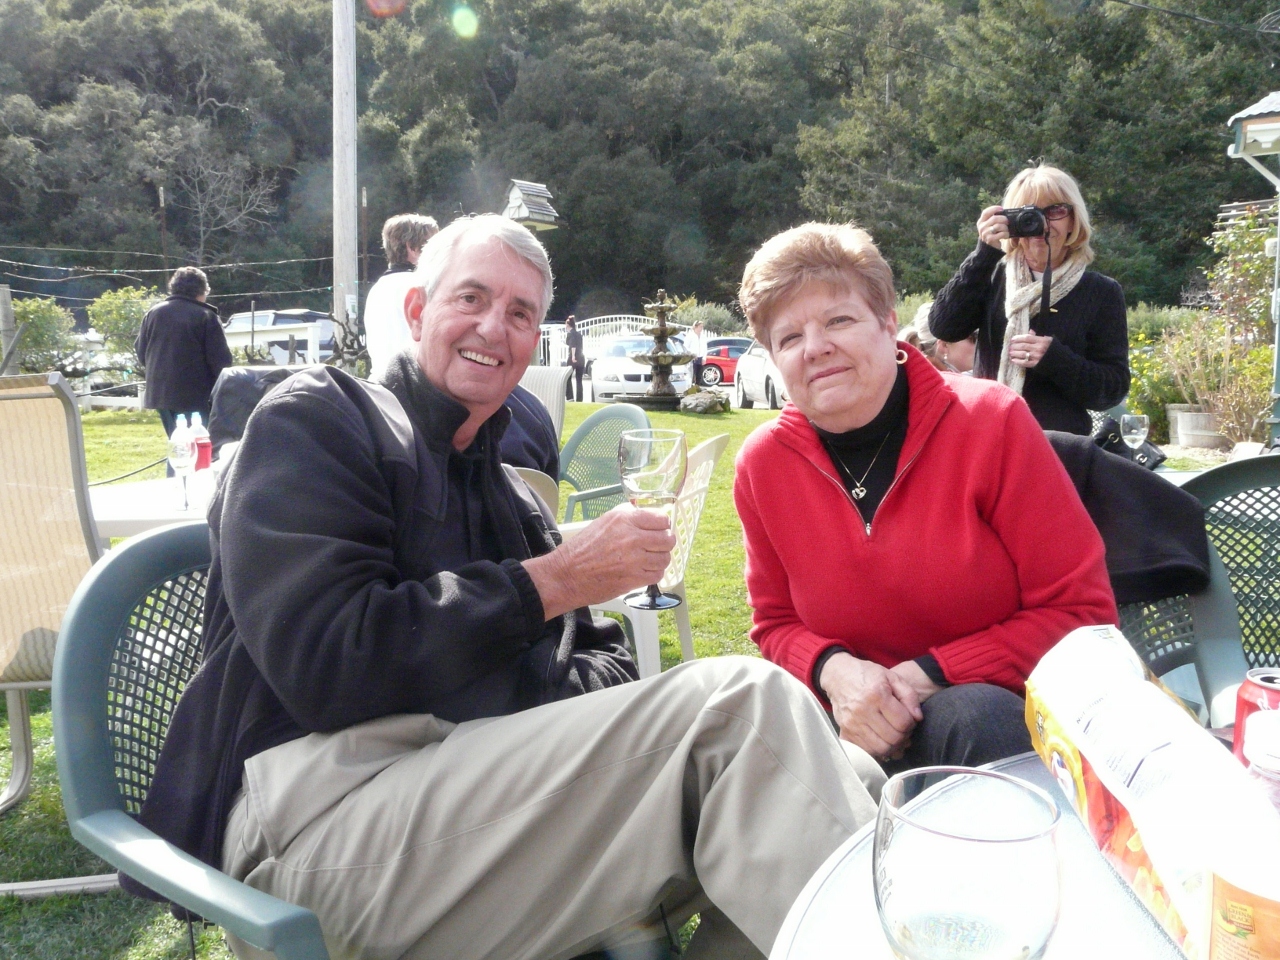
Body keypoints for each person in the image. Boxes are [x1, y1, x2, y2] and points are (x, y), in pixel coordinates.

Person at [132, 214, 883, 960]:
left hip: (469, 807)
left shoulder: (509, 497)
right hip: (315, 827)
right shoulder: (323, 421)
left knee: (845, 773)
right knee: (744, 714)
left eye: (521, 314)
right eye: (472, 299)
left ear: (534, 344)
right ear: (419, 311)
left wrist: (533, 630)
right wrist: (547, 585)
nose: (495, 327)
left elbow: (604, 663)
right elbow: (329, 665)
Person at [733, 222, 1117, 770]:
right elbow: (774, 622)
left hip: (991, 721)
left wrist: (923, 677)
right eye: (789, 337)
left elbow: (1081, 612)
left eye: (839, 320)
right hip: (845, 724)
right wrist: (836, 673)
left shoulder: (991, 422)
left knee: (974, 716)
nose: (816, 348)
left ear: (889, 325)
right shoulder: (763, 464)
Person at [929, 164, 1129, 435]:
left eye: (1055, 211)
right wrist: (984, 252)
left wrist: (1056, 359)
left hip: (1059, 450)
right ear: (1010, 221)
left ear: (1073, 220)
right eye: (1029, 213)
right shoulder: (990, 275)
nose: (1041, 224)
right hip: (988, 439)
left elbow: (1112, 390)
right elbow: (944, 327)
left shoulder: (1101, 292)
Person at [135, 266, 233, 461]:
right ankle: (194, 487)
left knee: (178, 444)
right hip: (196, 396)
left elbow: (140, 351)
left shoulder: (154, 313)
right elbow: (221, 363)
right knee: (198, 448)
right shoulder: (206, 316)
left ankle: (175, 482)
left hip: (161, 394)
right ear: (202, 291)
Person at [364, 213, 439, 376]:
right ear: (411, 248)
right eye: (434, 246)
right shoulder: (422, 286)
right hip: (416, 387)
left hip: (380, 385)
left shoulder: (377, 289)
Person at [563, 313, 585, 401]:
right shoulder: (579, 334)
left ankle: (570, 397)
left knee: (568, 378)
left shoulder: (571, 334)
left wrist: (572, 357)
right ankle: (580, 399)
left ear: (568, 325)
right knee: (579, 380)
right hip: (581, 358)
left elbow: (573, 346)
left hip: (574, 358)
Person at [684, 319, 708, 386]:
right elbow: (685, 347)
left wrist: (704, 358)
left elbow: (705, 348)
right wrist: (692, 354)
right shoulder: (690, 336)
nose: (701, 328)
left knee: (699, 375)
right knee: (691, 375)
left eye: (702, 327)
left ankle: (698, 387)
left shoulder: (703, 336)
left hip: (700, 358)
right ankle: (691, 388)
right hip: (693, 358)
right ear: (695, 327)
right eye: (700, 326)